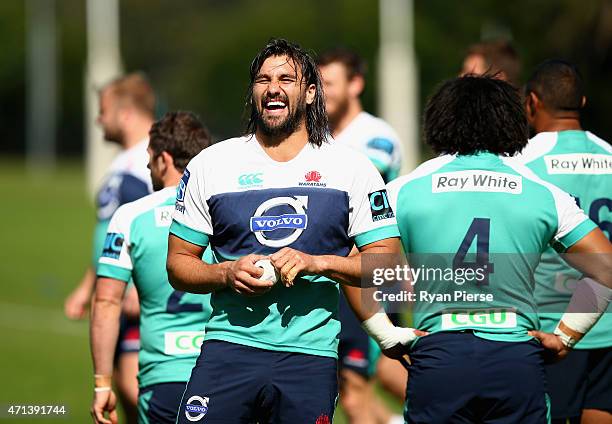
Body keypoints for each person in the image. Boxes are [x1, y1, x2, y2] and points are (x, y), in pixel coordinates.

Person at [166, 38, 410, 424]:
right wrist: (225, 273)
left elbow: (389, 263)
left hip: (310, 358)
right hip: (228, 349)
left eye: (286, 79)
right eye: (263, 80)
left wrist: (318, 263)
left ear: (311, 93)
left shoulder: (352, 168)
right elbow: (179, 264)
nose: (273, 88)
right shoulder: (212, 165)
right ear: (253, 92)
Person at [386, 75, 612, 423]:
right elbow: (606, 267)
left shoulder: (404, 188)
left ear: (440, 120)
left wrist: (386, 335)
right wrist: (566, 336)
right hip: (516, 353)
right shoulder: (541, 190)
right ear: (512, 119)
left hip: (439, 352)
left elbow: (360, 263)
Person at [90, 111, 213, 424]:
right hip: (225, 373)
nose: (146, 167)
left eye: (149, 158)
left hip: (163, 378)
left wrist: (103, 382)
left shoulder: (130, 216)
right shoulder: (228, 211)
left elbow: (106, 302)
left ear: (164, 159)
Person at [518, 59, 612, 424]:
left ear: (532, 103)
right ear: (583, 103)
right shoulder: (609, 155)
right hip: (607, 321)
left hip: (550, 326)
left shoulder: (523, 165)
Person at [318, 47, 405, 423]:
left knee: (362, 384)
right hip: (337, 274)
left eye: (330, 84)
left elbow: (356, 206)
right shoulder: (319, 137)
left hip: (369, 274)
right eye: (317, 85)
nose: (322, 93)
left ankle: (459, 405)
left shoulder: (376, 138)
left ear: (356, 85)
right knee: (362, 383)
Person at [65, 73, 156, 421]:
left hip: (138, 295)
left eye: (103, 111)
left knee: (138, 388)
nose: (98, 119)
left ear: (126, 114)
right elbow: (113, 233)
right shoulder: (122, 161)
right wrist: (87, 286)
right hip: (113, 288)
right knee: (123, 388)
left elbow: (164, 226)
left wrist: (139, 284)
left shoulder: (155, 158)